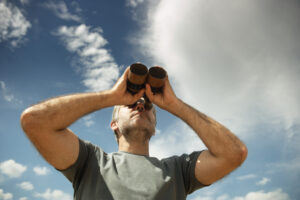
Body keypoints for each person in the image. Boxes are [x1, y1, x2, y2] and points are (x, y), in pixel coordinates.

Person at [20, 66, 248, 200]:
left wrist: (174, 104)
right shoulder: (90, 163)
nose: (141, 106)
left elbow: (234, 153)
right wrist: (112, 97)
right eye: (130, 105)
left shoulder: (179, 170)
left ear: (155, 128)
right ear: (114, 125)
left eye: (148, 106)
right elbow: (35, 122)